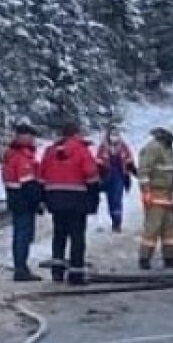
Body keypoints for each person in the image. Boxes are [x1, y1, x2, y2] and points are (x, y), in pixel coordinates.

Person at [38, 122, 100, 285]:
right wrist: (93, 196)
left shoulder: (50, 151)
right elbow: (91, 175)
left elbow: (41, 175)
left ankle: (57, 270)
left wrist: (44, 197)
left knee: (59, 235)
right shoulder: (81, 150)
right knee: (77, 236)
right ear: (76, 134)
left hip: (55, 199)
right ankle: (76, 273)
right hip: (77, 199)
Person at [137, 126, 173, 270]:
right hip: (155, 194)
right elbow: (143, 171)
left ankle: (171, 257)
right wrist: (146, 191)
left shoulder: (169, 150)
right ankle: (144, 258)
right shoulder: (152, 148)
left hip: (167, 195)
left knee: (170, 228)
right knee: (152, 228)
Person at [2, 122, 43, 282]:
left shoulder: (11, 155)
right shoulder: (22, 157)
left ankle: (20, 266)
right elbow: (28, 183)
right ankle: (21, 268)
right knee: (23, 235)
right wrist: (38, 201)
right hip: (23, 200)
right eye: (30, 136)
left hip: (14, 197)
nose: (33, 139)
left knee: (20, 233)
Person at [96, 125, 136, 233]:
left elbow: (129, 161)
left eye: (116, 134)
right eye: (112, 135)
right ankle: (113, 219)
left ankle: (117, 223)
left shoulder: (123, 147)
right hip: (107, 177)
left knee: (117, 200)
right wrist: (98, 176)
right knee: (110, 201)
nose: (114, 137)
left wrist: (134, 172)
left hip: (119, 177)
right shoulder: (103, 147)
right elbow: (98, 162)